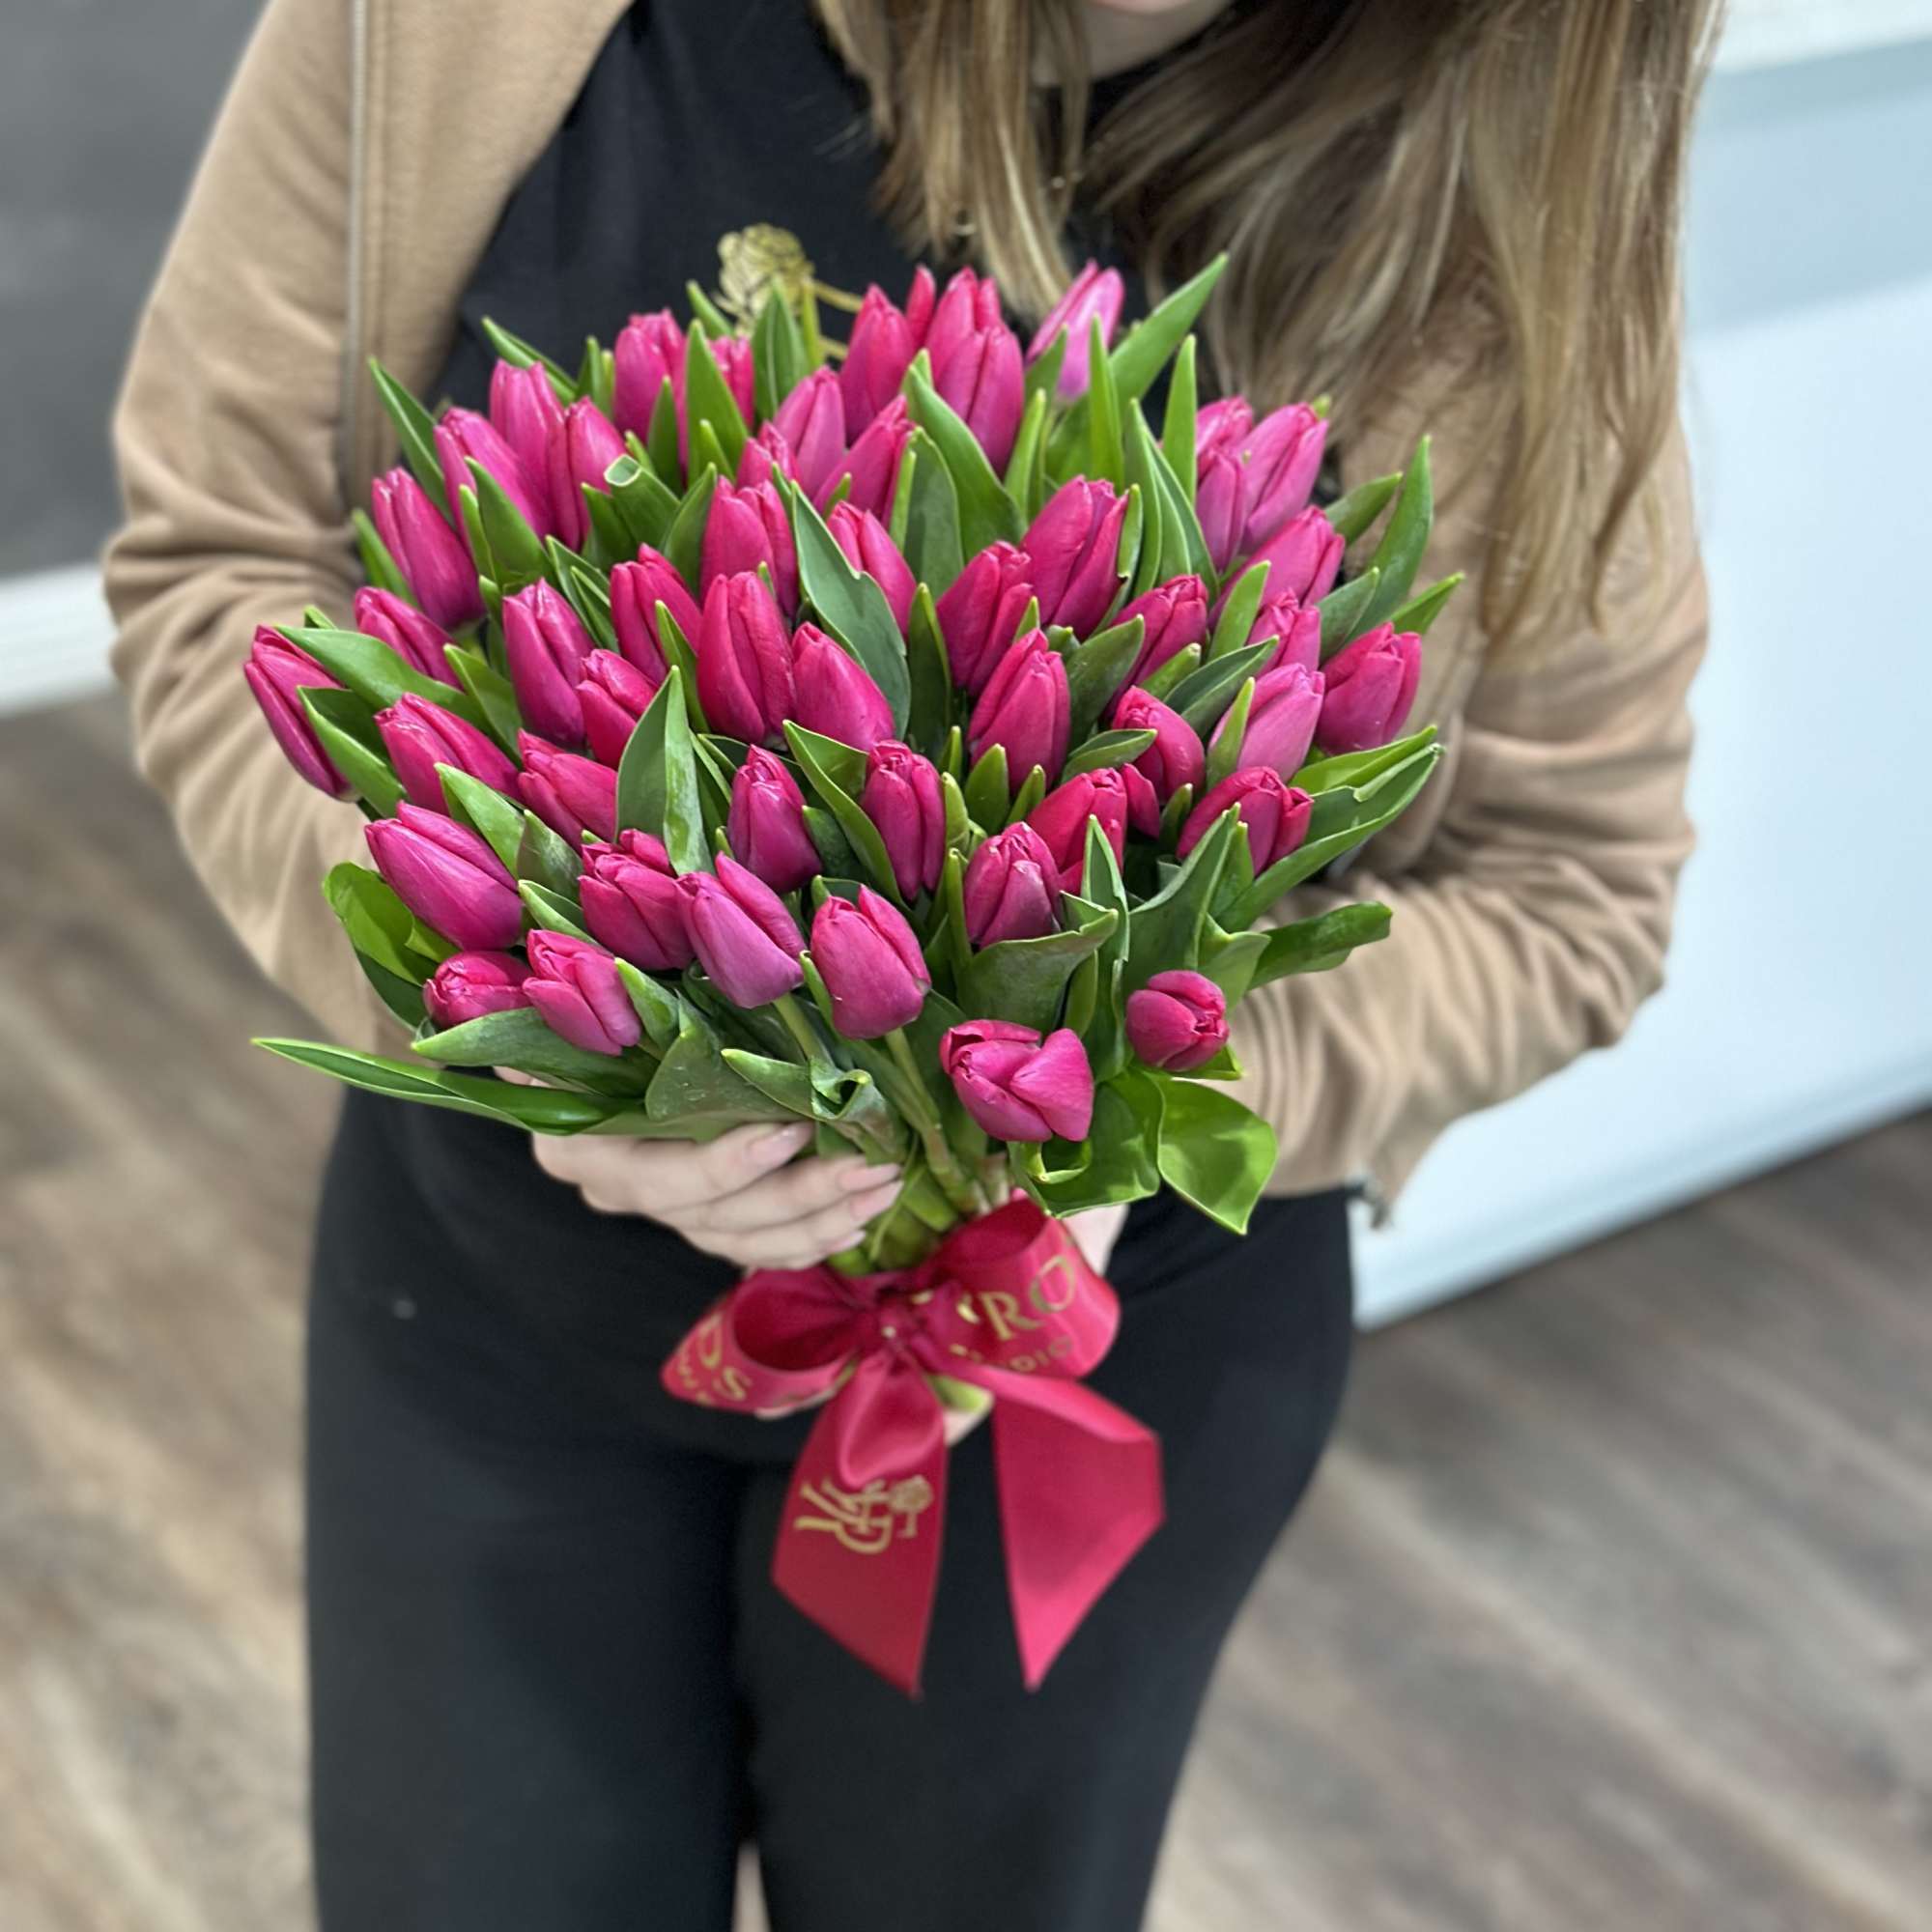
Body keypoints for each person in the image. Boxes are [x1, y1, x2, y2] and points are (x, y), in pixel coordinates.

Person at [103, 0, 1714, 1926]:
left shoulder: (1501, 135)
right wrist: (510, 1014)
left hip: (1082, 1355)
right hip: (497, 1306)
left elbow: (1572, 890)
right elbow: (221, 565)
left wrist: (1107, 1121)